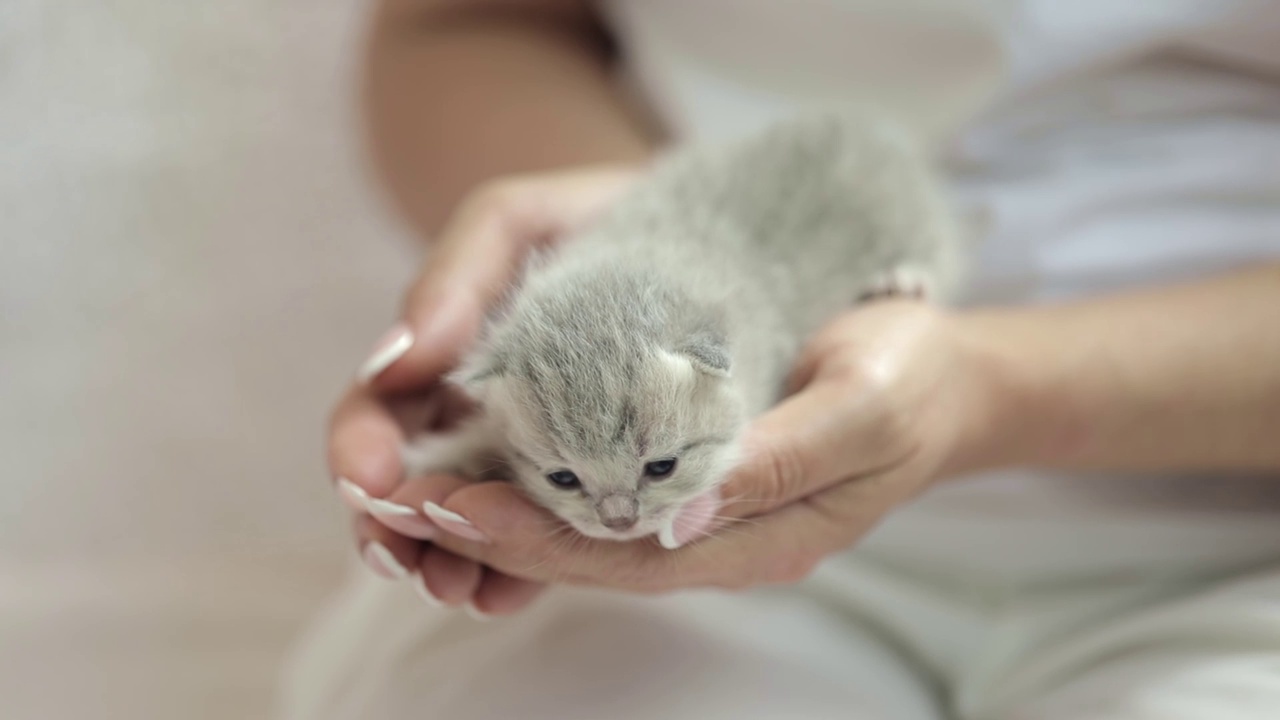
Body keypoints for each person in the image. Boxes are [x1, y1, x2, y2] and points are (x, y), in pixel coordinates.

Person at [284, 1, 1280, 717]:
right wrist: (631, 217)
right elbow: (464, 22)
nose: (616, 507)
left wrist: (993, 394)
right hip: (703, 574)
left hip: (1229, 537)